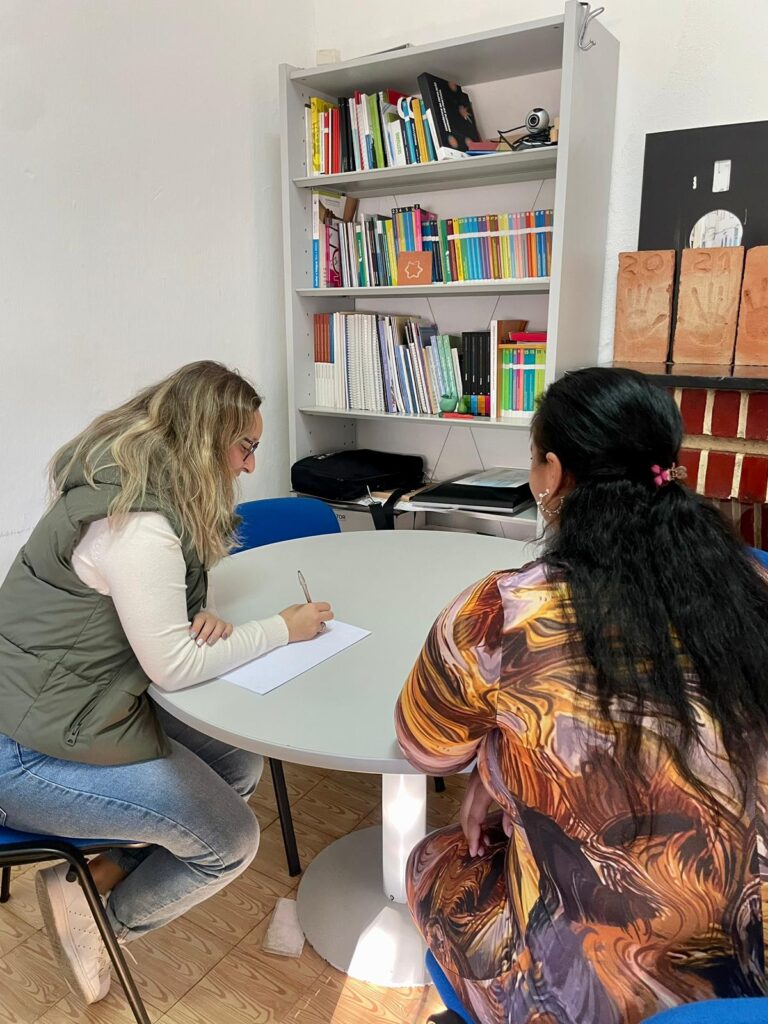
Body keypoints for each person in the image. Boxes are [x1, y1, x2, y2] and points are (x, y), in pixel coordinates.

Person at [396, 367, 768, 1024]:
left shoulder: (504, 612)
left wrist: (496, 771)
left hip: (590, 989)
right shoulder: (749, 589)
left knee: (435, 857)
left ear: (552, 474)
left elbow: (424, 747)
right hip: (750, 965)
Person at [0, 361, 333, 1005]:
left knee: (236, 761)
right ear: (205, 441)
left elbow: (147, 608)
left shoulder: (141, 483)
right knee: (231, 841)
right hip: (24, 752)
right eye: (245, 447)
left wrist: (196, 614)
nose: (249, 466)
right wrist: (282, 630)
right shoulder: (138, 524)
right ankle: (104, 931)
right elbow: (174, 666)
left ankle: (98, 874)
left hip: (73, 705)